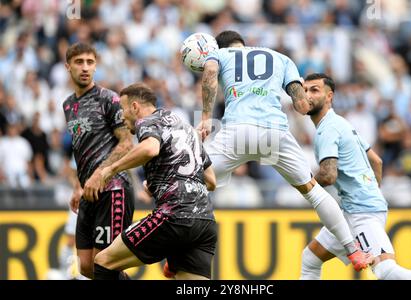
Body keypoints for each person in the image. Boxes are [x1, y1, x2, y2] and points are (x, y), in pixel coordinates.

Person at [197, 30, 371, 271]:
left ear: (222, 45)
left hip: (237, 132)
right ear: (244, 43)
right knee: (313, 192)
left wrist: (206, 117)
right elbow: (301, 105)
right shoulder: (280, 58)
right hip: (274, 133)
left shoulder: (220, 54)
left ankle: (182, 255)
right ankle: (354, 251)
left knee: (192, 182)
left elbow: (211, 73)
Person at [300, 73, 411, 280]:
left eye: (314, 90)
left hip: (361, 213)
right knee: (310, 258)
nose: (307, 95)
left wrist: (302, 183)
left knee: (386, 271)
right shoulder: (342, 123)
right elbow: (377, 161)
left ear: (329, 96)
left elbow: (329, 175)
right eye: (304, 90)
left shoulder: (328, 129)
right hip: (353, 211)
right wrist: (370, 192)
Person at [93, 83, 217, 280]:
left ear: (134, 107)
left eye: (123, 110)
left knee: (103, 262)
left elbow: (151, 148)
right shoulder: (187, 129)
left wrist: (111, 169)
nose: (122, 118)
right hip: (205, 222)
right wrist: (162, 183)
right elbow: (211, 181)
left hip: (174, 216)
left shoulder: (148, 121)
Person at [62, 43, 135, 279]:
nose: (85, 68)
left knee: (105, 264)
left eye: (90, 62)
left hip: (112, 189)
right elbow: (79, 147)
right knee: (85, 266)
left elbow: (126, 144)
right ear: (68, 66)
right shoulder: (67, 105)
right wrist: (77, 185)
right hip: (88, 192)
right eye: (79, 62)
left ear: (96, 66)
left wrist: (98, 175)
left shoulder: (109, 99)